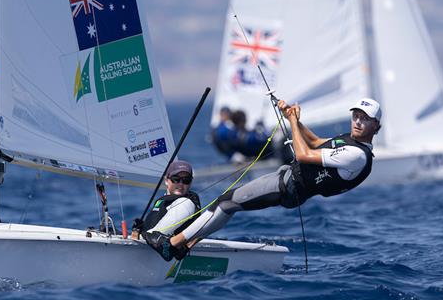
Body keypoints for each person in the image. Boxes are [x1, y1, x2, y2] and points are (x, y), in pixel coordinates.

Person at [145, 98, 382, 261]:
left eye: (365, 119)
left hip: (288, 186)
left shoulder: (356, 155)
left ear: (376, 125)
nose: (358, 121)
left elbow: (303, 154)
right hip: (287, 179)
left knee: (226, 203)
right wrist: (294, 118)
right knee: (227, 204)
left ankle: (172, 243)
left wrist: (291, 123)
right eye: (356, 116)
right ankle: (184, 245)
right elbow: (315, 142)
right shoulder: (348, 141)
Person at [134, 160, 201, 241]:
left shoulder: (185, 203)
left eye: (186, 180)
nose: (180, 184)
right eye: (176, 179)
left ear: (190, 182)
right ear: (166, 180)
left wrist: (137, 237)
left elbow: (157, 235)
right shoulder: (163, 201)